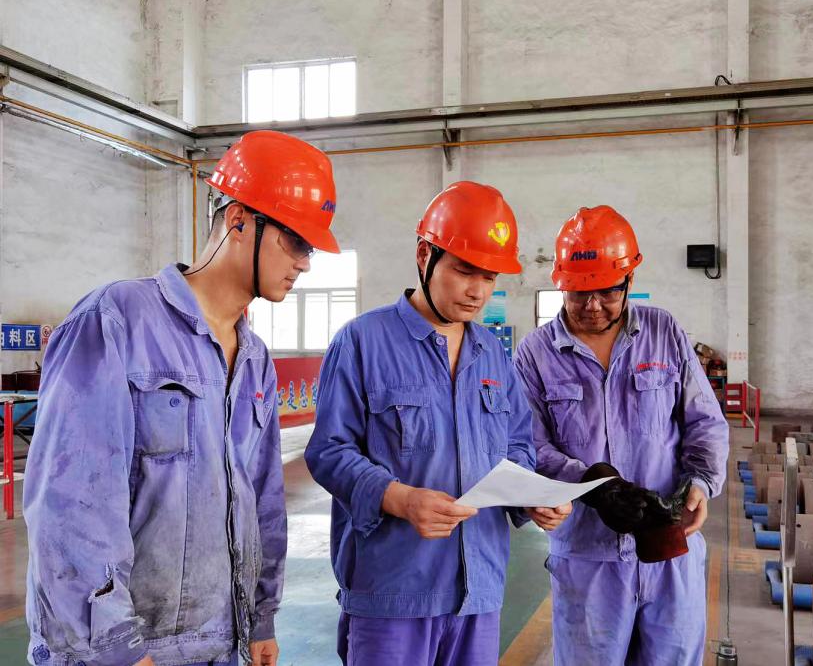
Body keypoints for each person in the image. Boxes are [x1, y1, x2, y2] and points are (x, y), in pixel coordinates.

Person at [23, 130, 340, 666]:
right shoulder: (118, 320)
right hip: (124, 650)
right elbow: (70, 504)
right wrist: (118, 649)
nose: (305, 263)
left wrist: (259, 618)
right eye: (296, 241)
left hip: (222, 643)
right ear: (238, 220)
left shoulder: (255, 358)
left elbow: (263, 499)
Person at [305, 181, 571, 666]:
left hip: (480, 589)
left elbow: (517, 444)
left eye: (489, 276)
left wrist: (530, 497)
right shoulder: (362, 342)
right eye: (465, 271)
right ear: (425, 256)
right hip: (393, 590)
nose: (478, 291)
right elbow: (329, 451)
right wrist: (398, 498)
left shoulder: (492, 354)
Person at [513, 205, 729, 666]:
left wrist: (701, 481)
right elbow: (529, 444)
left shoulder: (663, 331)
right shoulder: (535, 354)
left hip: (670, 547)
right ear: (561, 284)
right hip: (587, 555)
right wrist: (594, 486)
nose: (592, 306)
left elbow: (704, 419)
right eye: (578, 292)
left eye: (607, 291)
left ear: (630, 280)